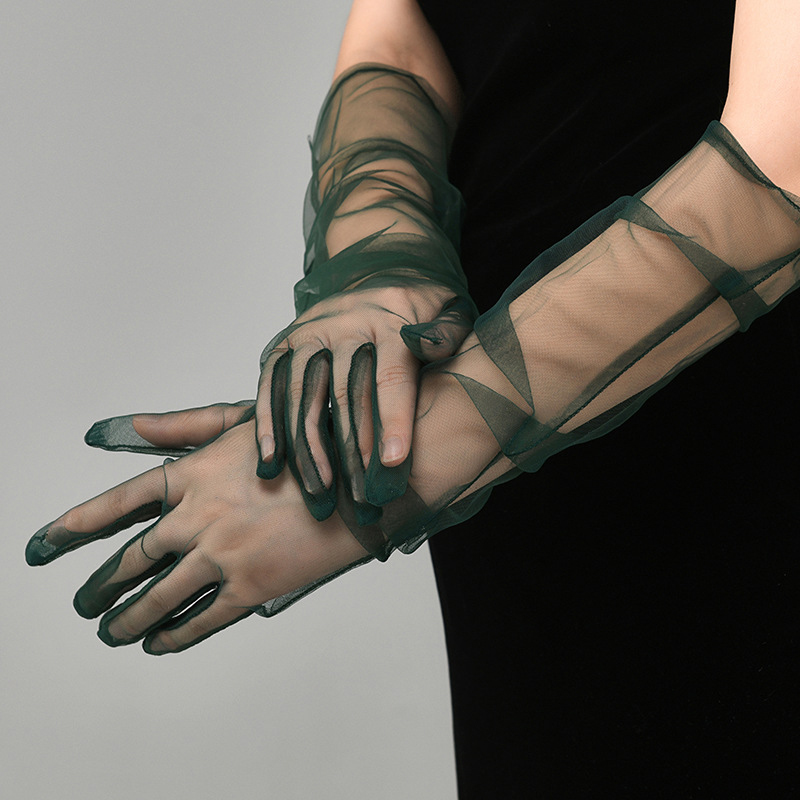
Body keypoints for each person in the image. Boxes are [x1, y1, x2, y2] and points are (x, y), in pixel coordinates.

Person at [26, 0, 800, 795]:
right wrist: (380, 247)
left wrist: (394, 464)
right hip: (509, 456)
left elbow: (781, 162)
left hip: (721, 402)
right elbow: (404, 35)